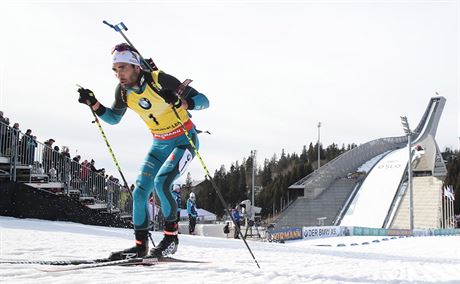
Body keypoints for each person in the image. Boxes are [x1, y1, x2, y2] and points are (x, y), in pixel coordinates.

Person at [77, 43, 209, 260]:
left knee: (162, 183)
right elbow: (113, 118)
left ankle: (170, 239)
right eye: (115, 69)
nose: (119, 74)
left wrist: (182, 102)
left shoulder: (159, 80)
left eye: (123, 68)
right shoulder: (123, 91)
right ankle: (140, 246)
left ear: (136, 66)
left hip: (184, 140)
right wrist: (94, 103)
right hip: (159, 143)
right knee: (139, 193)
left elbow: (205, 101)